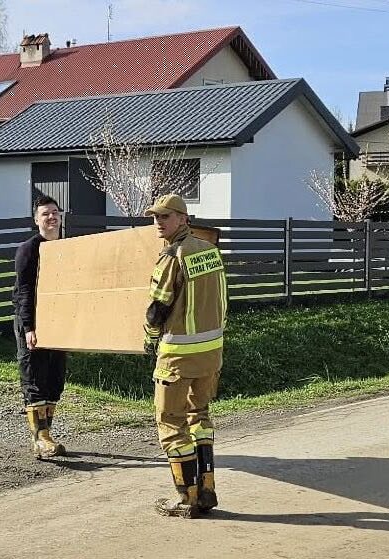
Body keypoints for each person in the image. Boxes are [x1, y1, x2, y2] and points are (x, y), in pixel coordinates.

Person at [143, 194, 228, 518]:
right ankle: (207, 489)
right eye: (156, 217)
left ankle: (186, 498)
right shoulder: (210, 251)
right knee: (200, 416)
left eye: (165, 217)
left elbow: (158, 307)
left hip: (178, 354)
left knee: (170, 421)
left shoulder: (172, 255)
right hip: (211, 353)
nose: (158, 223)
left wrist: (150, 339)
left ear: (183, 219)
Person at [13, 195, 67, 459]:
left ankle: (48, 434)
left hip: (60, 321)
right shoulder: (28, 249)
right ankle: (40, 439)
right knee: (34, 376)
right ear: (37, 220)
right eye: (45, 213)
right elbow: (23, 292)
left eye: (55, 212)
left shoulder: (67, 248)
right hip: (33, 322)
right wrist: (28, 327)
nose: (51, 217)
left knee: (55, 377)